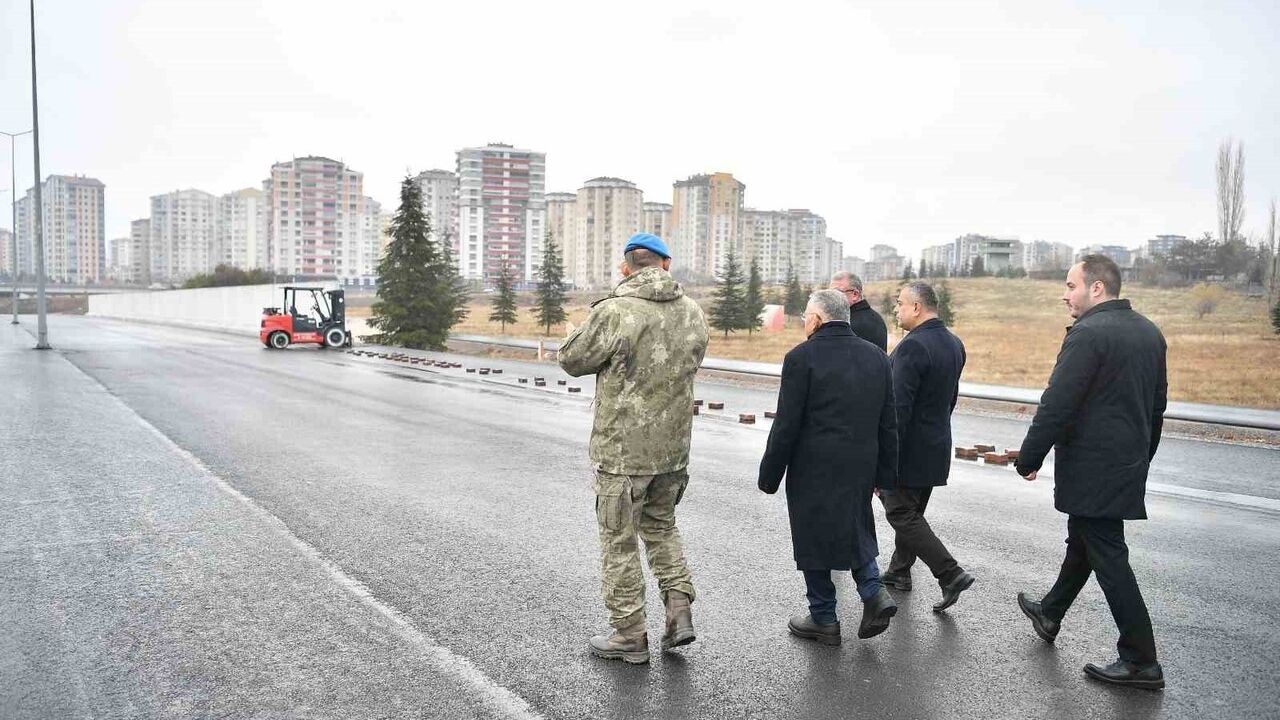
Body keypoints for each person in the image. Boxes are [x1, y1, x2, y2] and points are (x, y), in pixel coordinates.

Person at [1014, 254, 1168, 690]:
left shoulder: (1088, 334)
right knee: (1084, 539)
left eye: (1070, 285)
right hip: (1125, 462)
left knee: (1108, 554)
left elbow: (1058, 403)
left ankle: (1141, 661)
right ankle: (1050, 611)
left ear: (1096, 288)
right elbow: (1157, 407)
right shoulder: (1149, 332)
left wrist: (1029, 457)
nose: (1065, 295)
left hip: (1093, 465)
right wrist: (1143, 456)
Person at [559, 232, 710, 665]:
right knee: (662, 528)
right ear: (666, 264)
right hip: (673, 450)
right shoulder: (694, 313)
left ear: (626, 267)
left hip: (622, 453)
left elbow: (572, 360)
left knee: (619, 541)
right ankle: (679, 611)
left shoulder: (615, 310)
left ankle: (629, 635)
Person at [758, 289, 899, 644]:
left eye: (806, 316)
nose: (804, 322)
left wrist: (770, 475)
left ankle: (823, 617)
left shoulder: (801, 358)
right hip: (860, 465)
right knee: (854, 524)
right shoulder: (877, 358)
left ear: (817, 319)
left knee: (813, 536)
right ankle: (873, 590)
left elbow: (786, 424)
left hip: (813, 465)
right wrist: (885, 474)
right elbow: (888, 423)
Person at [879, 282, 975, 611]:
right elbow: (950, 400)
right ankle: (899, 572)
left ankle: (950, 573)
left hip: (908, 450)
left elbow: (897, 409)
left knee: (901, 512)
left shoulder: (913, 346)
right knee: (913, 512)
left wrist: (884, 456)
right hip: (935, 445)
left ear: (917, 308)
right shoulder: (954, 343)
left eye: (900, 304)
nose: (897, 310)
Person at [830, 270, 887, 351]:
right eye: (829, 293)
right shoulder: (874, 317)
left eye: (836, 292)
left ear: (855, 295)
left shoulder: (850, 324)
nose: (830, 298)